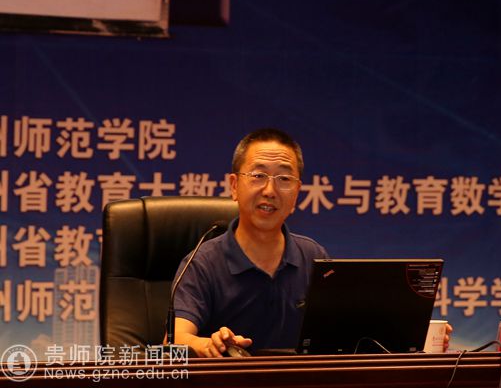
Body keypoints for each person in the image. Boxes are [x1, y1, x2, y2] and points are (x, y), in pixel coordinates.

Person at [172, 128, 452, 357]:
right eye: (258, 176)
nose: (270, 190)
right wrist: (206, 344)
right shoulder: (202, 262)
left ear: (297, 193)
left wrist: (415, 335)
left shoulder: (313, 257)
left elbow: (346, 338)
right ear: (234, 186)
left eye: (284, 178)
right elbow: (173, 342)